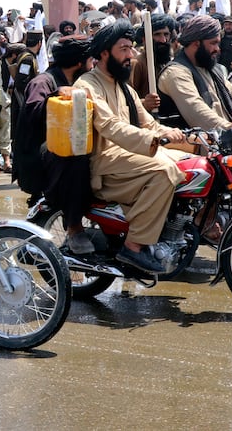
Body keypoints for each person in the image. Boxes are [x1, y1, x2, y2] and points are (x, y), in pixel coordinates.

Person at [72, 20, 189, 274]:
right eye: (124, 49)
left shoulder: (124, 87)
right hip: (105, 161)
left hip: (128, 154)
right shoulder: (87, 85)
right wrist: (151, 141)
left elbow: (148, 123)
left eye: (131, 49)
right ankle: (134, 246)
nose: (131, 55)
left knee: (192, 163)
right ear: (105, 53)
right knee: (164, 171)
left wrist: (169, 133)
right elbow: (110, 126)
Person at [15, 35, 94, 253]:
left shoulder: (78, 82)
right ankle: (74, 226)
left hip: (60, 146)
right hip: (37, 156)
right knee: (77, 158)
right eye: (90, 61)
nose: (92, 65)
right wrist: (55, 96)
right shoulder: (43, 82)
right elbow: (32, 111)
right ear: (79, 62)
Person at [129, 13, 176, 104]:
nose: (163, 40)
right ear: (144, 39)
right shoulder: (137, 63)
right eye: (157, 34)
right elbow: (127, 100)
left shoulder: (172, 63)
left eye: (166, 34)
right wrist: (144, 103)